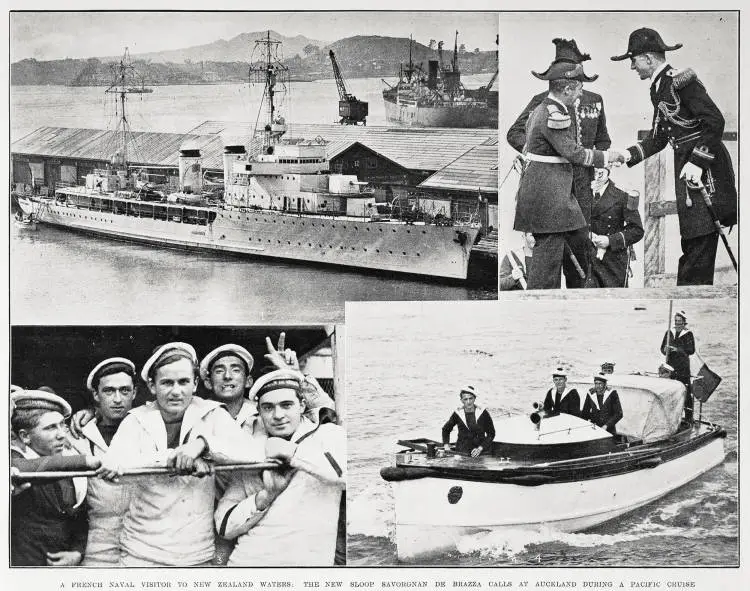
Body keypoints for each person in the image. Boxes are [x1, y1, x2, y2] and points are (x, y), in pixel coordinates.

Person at [99, 342, 264, 567]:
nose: (176, 391)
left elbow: (255, 453)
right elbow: (114, 466)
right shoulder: (136, 419)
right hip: (140, 554)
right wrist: (172, 458)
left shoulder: (213, 414)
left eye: (184, 382)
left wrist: (203, 445)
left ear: (195, 384)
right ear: (152, 386)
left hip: (197, 555)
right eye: (167, 383)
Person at [612, 28, 737, 285]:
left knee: (700, 239)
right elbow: (659, 137)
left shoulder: (681, 81)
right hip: (688, 169)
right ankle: (688, 298)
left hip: (706, 169)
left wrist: (697, 162)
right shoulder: (658, 87)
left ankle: (691, 302)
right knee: (692, 238)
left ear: (648, 58)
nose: (632, 67)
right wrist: (627, 155)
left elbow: (715, 121)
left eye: (633, 60)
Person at [513, 60, 626, 289]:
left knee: (566, 255)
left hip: (549, 196)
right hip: (550, 199)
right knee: (546, 269)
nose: (580, 94)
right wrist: (609, 157)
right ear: (567, 89)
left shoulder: (542, 108)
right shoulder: (554, 114)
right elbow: (573, 153)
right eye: (578, 89)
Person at [214, 369, 346, 566]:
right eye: (268, 408)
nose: (278, 415)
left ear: (301, 405)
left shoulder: (328, 434)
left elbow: (345, 476)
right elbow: (224, 526)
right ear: (259, 411)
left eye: (286, 405)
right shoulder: (252, 451)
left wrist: (292, 454)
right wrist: (266, 496)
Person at [508, 38, 611, 228]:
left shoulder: (595, 100)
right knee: (552, 238)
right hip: (552, 182)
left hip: (584, 181)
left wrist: (603, 167)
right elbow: (514, 133)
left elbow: (603, 139)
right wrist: (535, 153)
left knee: (581, 235)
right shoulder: (542, 102)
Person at [10, 390, 90, 566]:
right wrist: (87, 461)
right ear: (25, 436)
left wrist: (77, 552)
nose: (61, 434)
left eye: (62, 425)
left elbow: (81, 518)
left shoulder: (68, 459)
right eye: (50, 427)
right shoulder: (13, 459)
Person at [77, 357, 137, 566]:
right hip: (97, 544)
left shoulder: (149, 427)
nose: (118, 399)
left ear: (135, 393)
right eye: (109, 391)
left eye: (125, 390)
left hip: (143, 539)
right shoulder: (79, 436)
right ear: (96, 395)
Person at [588, 168, 644, 287]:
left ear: (608, 170)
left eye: (600, 172)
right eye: (593, 171)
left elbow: (636, 230)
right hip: (585, 262)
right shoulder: (580, 193)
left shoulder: (622, 195)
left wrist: (610, 240)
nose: (596, 176)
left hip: (612, 263)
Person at [660, 311, 695, 421]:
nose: (677, 323)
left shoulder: (688, 334)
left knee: (686, 391)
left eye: (680, 321)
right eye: (676, 321)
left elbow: (691, 350)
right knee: (670, 391)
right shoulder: (669, 332)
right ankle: (671, 416)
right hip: (670, 367)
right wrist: (665, 350)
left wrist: (677, 349)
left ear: (684, 322)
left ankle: (689, 417)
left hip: (683, 367)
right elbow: (662, 348)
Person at [441, 385, 495, 457]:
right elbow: (445, 429)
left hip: (481, 452)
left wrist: (480, 448)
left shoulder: (482, 412)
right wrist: (446, 445)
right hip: (462, 451)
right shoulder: (457, 413)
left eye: (471, 398)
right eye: (465, 399)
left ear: (474, 398)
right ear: (461, 400)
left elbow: (491, 433)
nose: (468, 402)